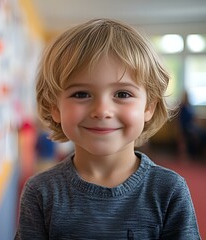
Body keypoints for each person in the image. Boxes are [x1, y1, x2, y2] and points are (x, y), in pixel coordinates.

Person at [15, 19, 200, 239]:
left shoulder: (169, 190)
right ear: (54, 107)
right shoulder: (40, 192)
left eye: (122, 94)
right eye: (81, 94)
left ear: (149, 107)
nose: (102, 111)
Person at [178, 90, 206, 159]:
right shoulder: (182, 108)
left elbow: (194, 118)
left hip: (192, 126)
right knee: (193, 133)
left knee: (203, 134)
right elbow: (180, 121)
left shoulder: (190, 107)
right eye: (185, 96)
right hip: (185, 128)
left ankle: (199, 154)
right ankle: (191, 153)